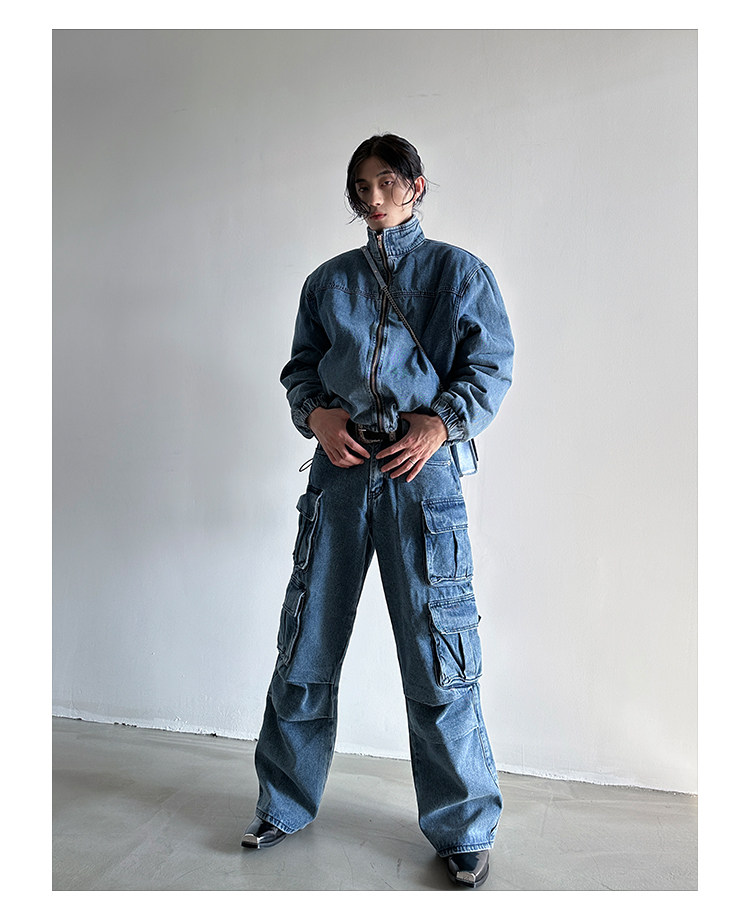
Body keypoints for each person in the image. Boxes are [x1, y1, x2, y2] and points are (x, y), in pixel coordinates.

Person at [241, 134, 514, 889]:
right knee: (307, 642)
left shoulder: (460, 274)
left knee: (438, 651)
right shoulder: (327, 282)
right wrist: (318, 415)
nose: (373, 197)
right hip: (339, 474)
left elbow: (490, 367)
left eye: (387, 181)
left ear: (417, 185)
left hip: (421, 479)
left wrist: (440, 423)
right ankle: (282, 803)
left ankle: (464, 828)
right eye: (360, 187)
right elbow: (301, 368)